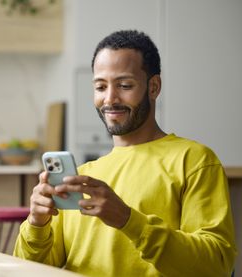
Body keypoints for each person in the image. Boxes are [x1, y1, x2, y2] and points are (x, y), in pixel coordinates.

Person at [13, 30, 237, 276]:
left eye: (124, 85)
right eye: (100, 86)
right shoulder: (83, 176)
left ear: (153, 87)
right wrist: (37, 223)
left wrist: (128, 220)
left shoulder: (194, 160)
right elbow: (30, 269)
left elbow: (216, 265)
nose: (110, 99)